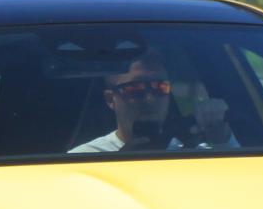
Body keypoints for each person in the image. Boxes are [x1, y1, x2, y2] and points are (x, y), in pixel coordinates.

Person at [68, 52, 235, 154]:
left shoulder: (197, 153)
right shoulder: (85, 159)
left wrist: (222, 139)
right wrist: (120, 162)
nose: (150, 99)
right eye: (135, 89)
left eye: (159, 87)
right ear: (111, 100)